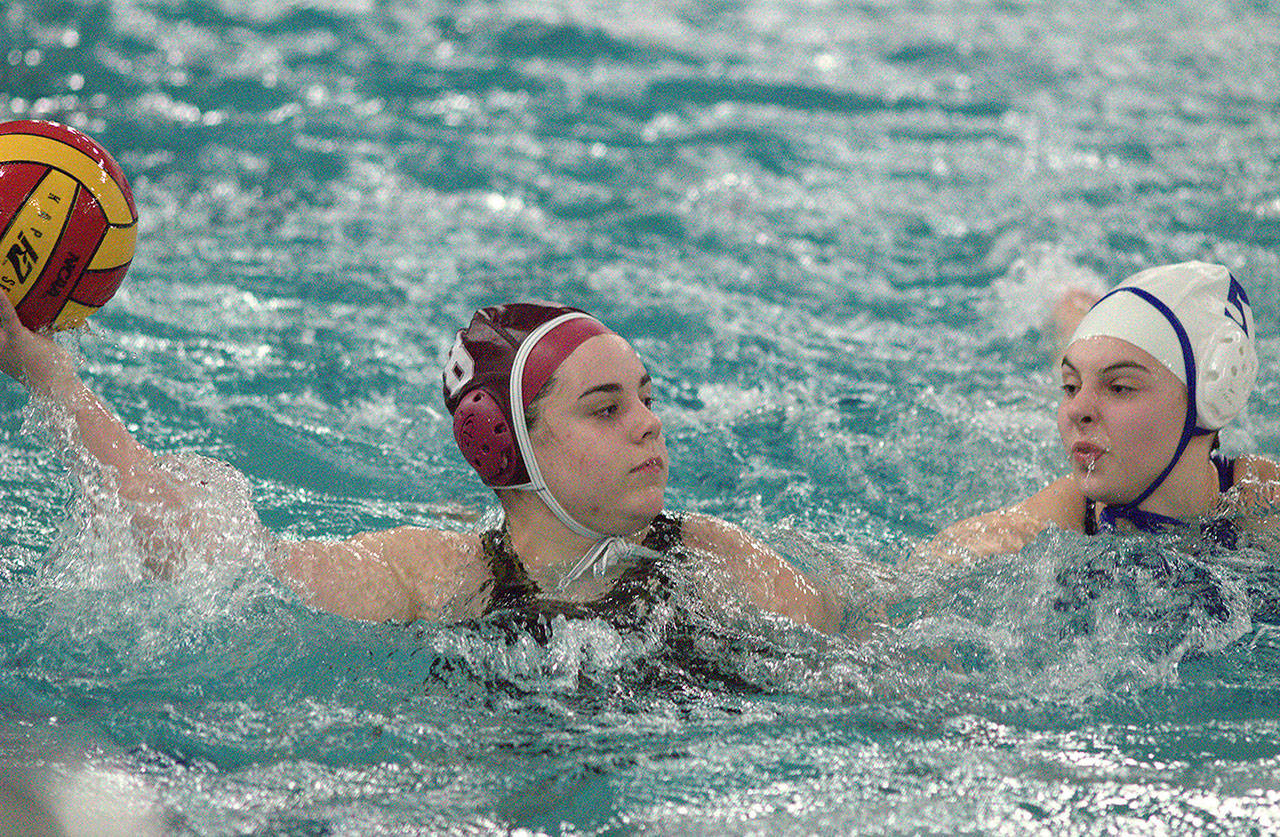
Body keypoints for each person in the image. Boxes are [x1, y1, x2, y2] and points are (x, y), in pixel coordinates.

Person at [0, 295, 843, 635]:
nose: (649, 426)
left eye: (648, 397)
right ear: (504, 444)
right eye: (607, 407)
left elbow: (878, 646)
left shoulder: (716, 559)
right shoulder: (437, 577)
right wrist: (51, 376)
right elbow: (203, 559)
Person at [928, 260, 1280, 560]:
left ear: (1213, 396)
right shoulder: (1060, 517)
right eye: (1070, 386)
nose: (1075, 410)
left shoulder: (1259, 500)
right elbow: (921, 573)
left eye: (1120, 387)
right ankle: (1071, 309)